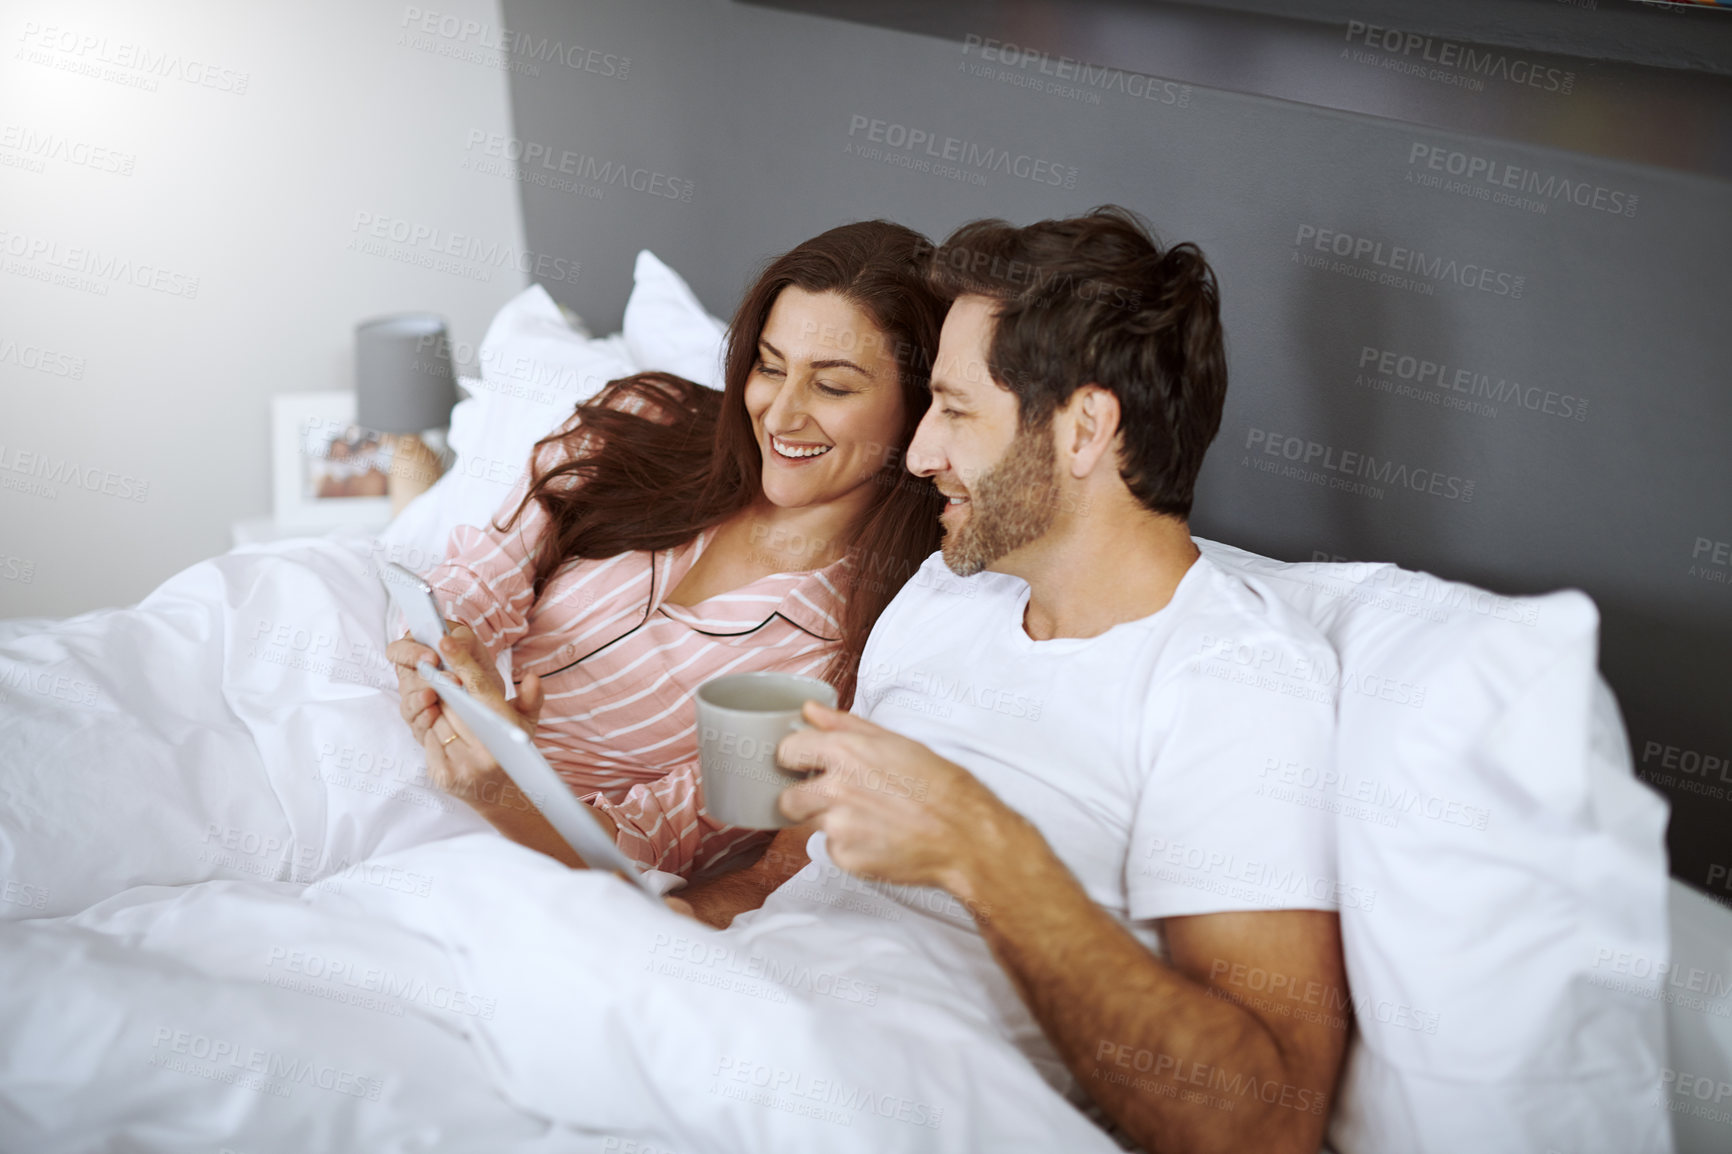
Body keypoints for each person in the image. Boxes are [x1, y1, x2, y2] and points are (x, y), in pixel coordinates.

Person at [749, 207, 1351, 1152]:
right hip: (736, 1008)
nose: (918, 455)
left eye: (954, 410)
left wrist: (984, 849)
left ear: (1083, 430)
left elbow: (1261, 1128)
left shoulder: (1233, 685)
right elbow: (794, 872)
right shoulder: (948, 593)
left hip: (876, 1100)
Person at [385, 222, 946, 901]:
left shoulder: (851, 652)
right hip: (392, 755)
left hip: (526, 855)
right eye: (769, 366)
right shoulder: (640, 420)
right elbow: (481, 574)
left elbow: (661, 843)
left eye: (832, 386)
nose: (780, 413)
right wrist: (446, 658)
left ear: (917, 409)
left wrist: (503, 790)